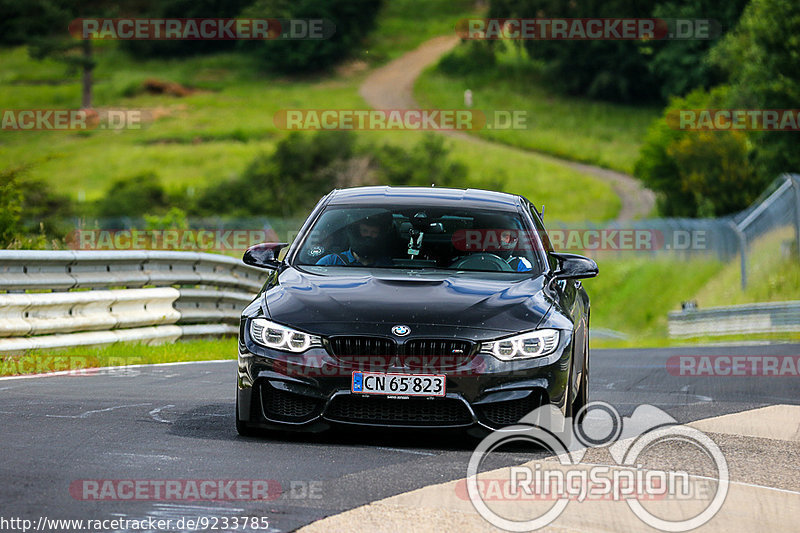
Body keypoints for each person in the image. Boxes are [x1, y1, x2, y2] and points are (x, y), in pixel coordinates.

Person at [316, 212, 394, 267]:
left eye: (374, 232)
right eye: (365, 231)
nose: (369, 235)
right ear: (357, 233)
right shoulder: (330, 262)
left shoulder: (387, 265)